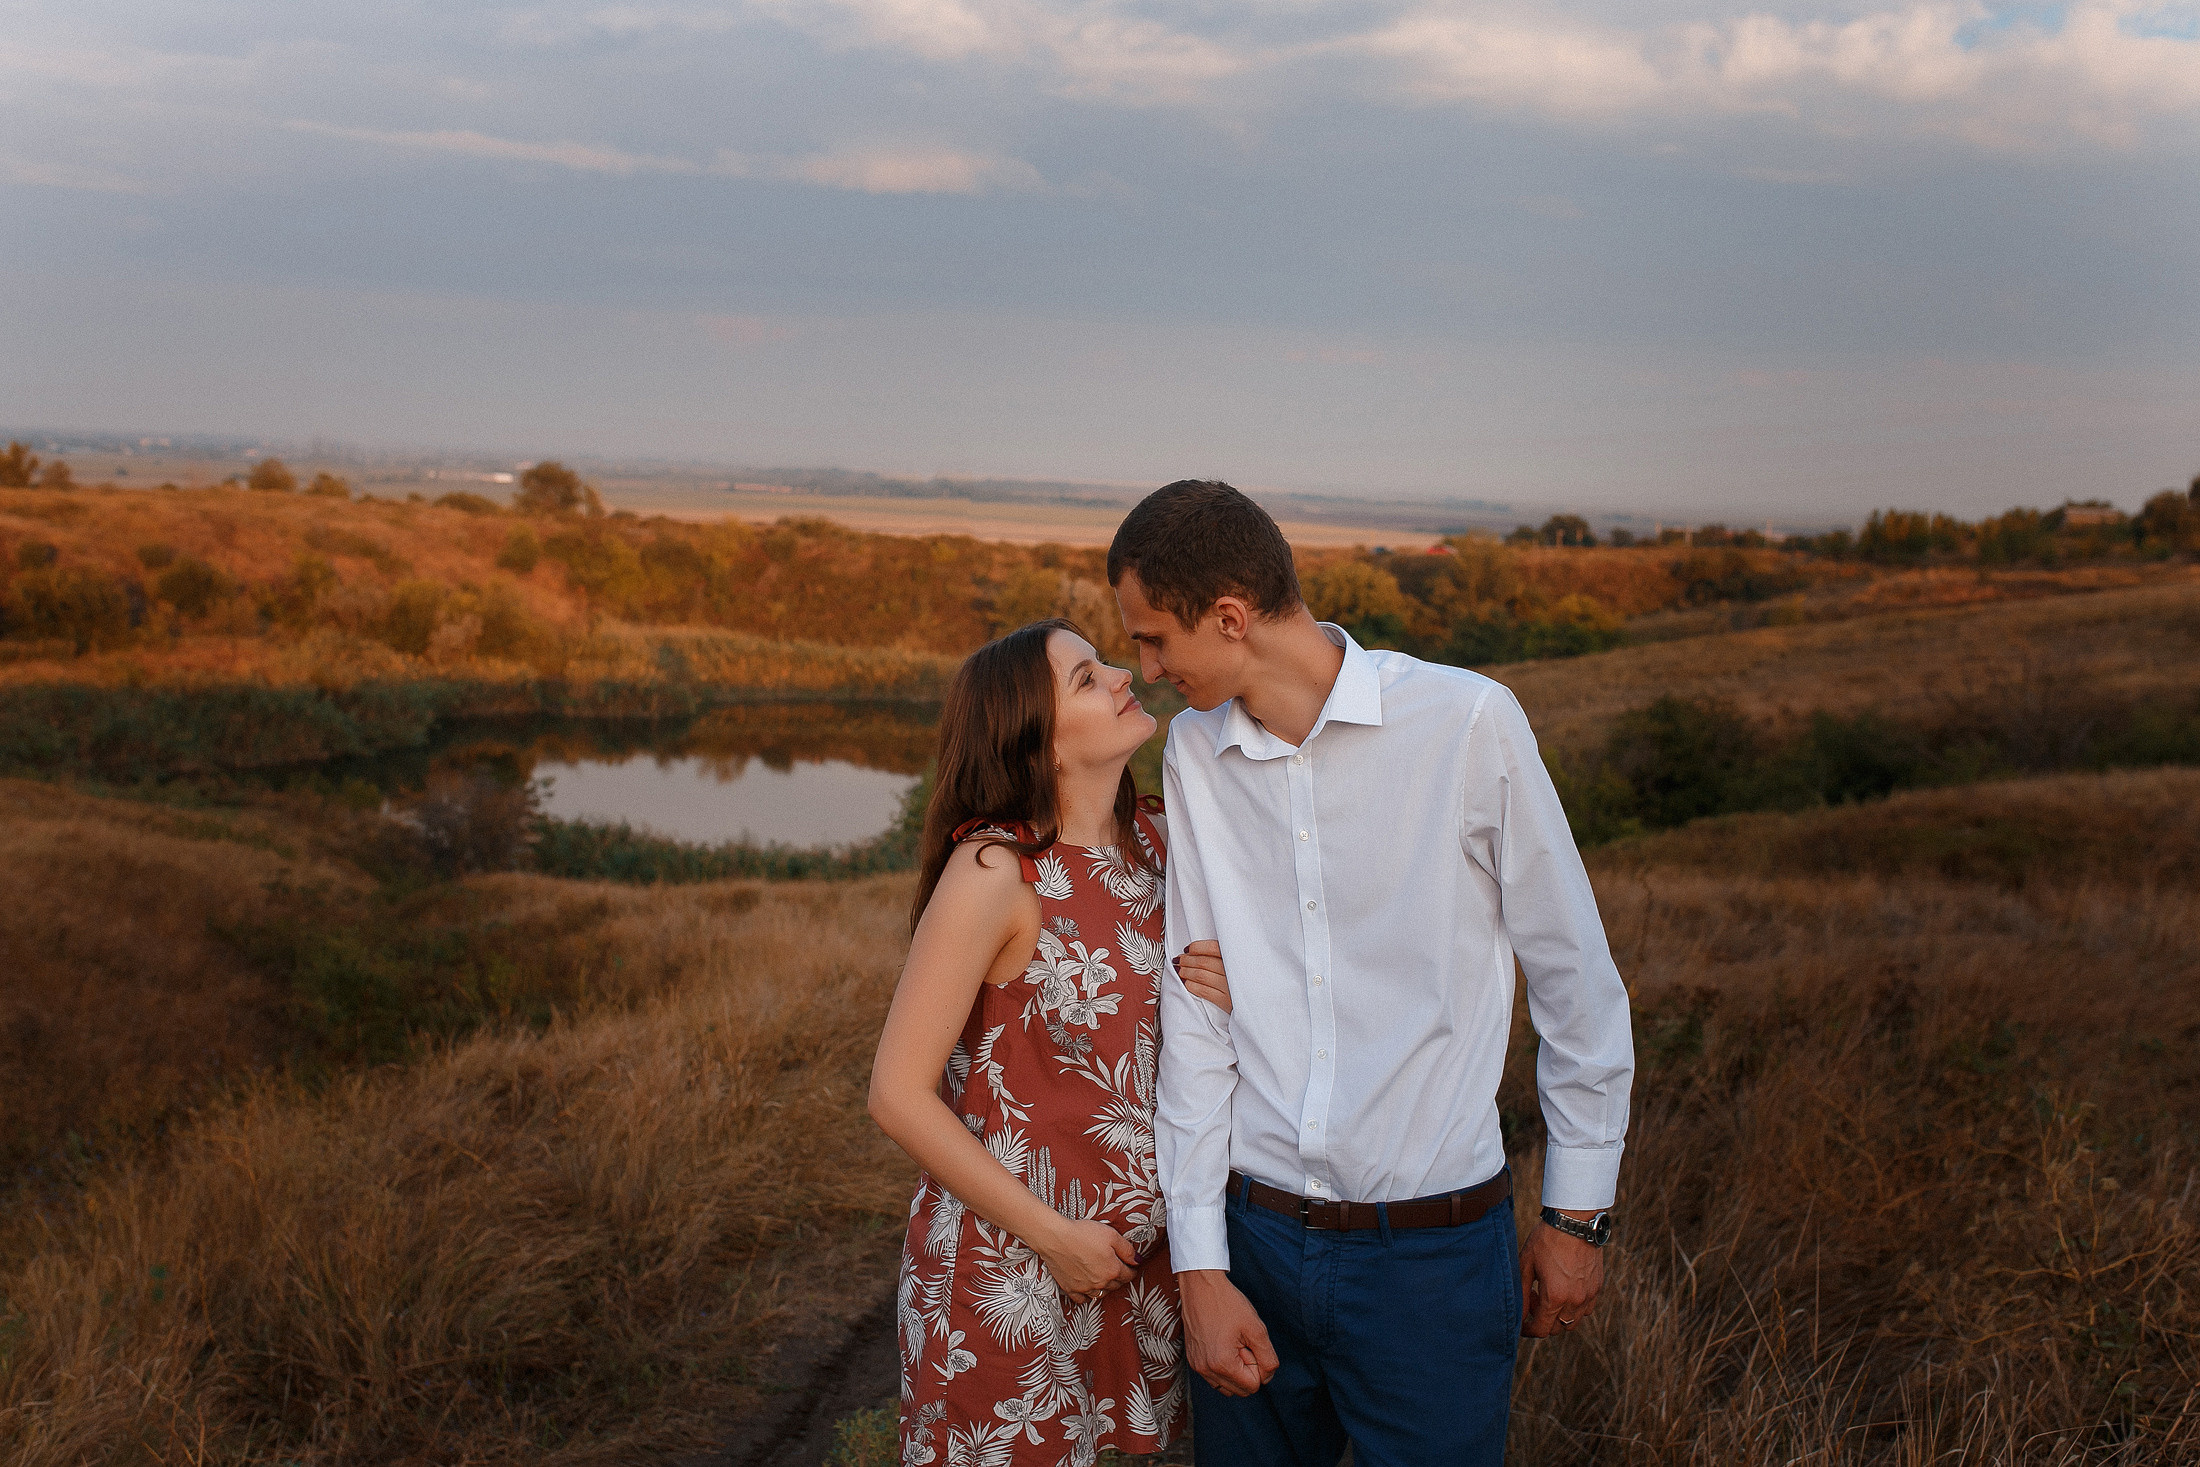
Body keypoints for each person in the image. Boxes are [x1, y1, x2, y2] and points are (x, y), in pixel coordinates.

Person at [1108, 481, 1636, 1466]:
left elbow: (1575, 981)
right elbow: (1196, 1017)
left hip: (1431, 1263)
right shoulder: (1192, 752)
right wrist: (1202, 1268)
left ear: (1228, 619)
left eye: (1151, 641)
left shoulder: (1468, 723)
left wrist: (1577, 1217)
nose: (1143, 670)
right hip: (1251, 1238)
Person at [869, 617, 1236, 1465]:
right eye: (1084, 679)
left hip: (1137, 1273)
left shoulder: (1161, 842)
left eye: (1102, 660)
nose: (1119, 675)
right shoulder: (996, 874)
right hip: (1011, 1269)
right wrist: (1054, 1238)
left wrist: (1242, 989)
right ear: (1042, 745)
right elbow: (896, 1092)